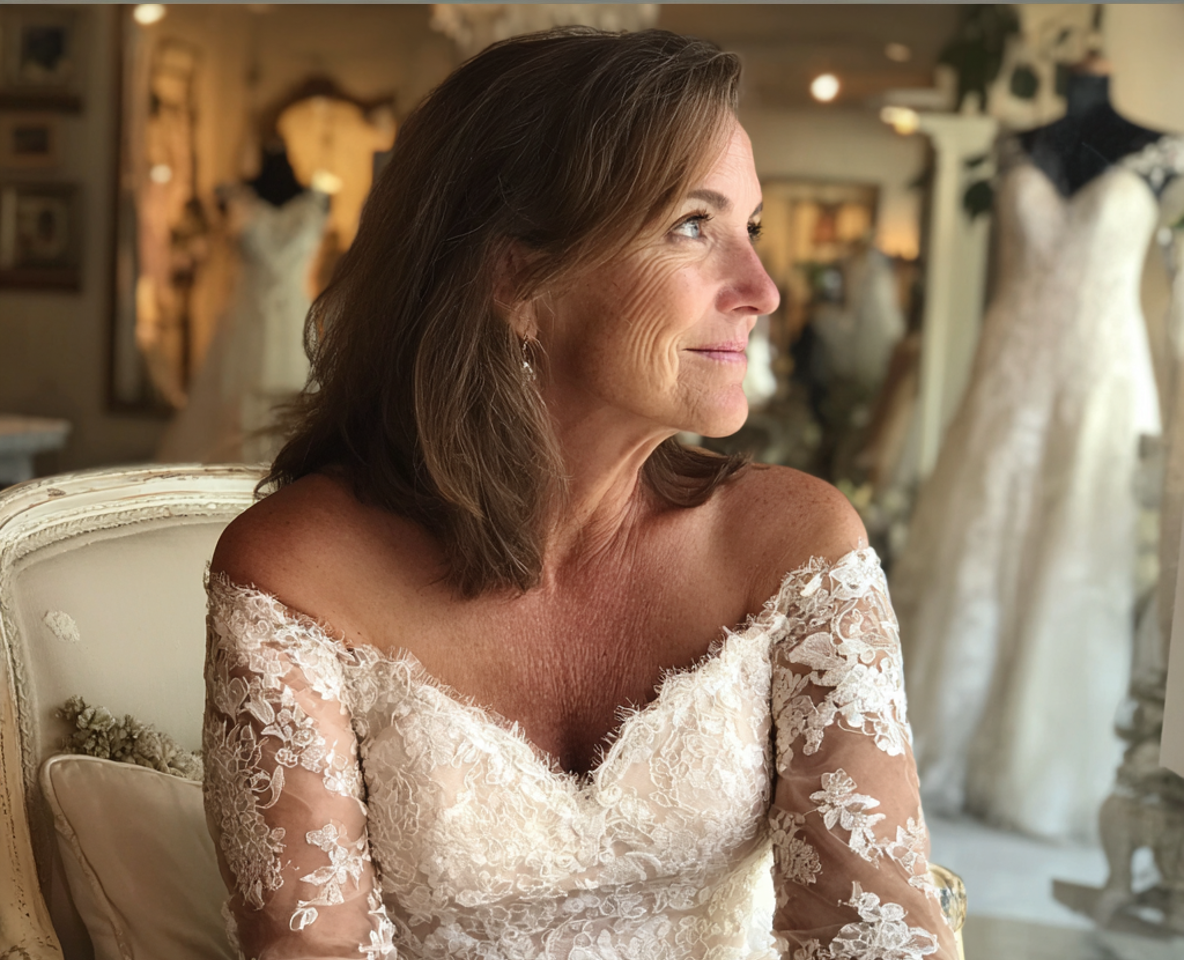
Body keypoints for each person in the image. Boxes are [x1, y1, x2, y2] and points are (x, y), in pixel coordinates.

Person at [202, 28, 957, 960]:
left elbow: (876, 936)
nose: (761, 289)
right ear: (516, 277)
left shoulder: (795, 548)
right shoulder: (298, 575)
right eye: (693, 225)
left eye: (749, 229)